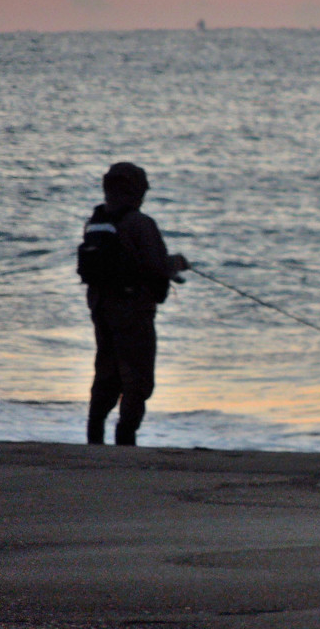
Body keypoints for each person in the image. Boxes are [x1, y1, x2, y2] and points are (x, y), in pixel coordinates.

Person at [83, 162, 189, 446]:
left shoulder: (96, 222)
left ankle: (94, 437)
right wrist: (177, 263)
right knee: (137, 380)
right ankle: (125, 439)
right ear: (138, 192)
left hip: (101, 310)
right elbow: (156, 266)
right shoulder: (141, 224)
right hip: (133, 312)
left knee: (107, 373)